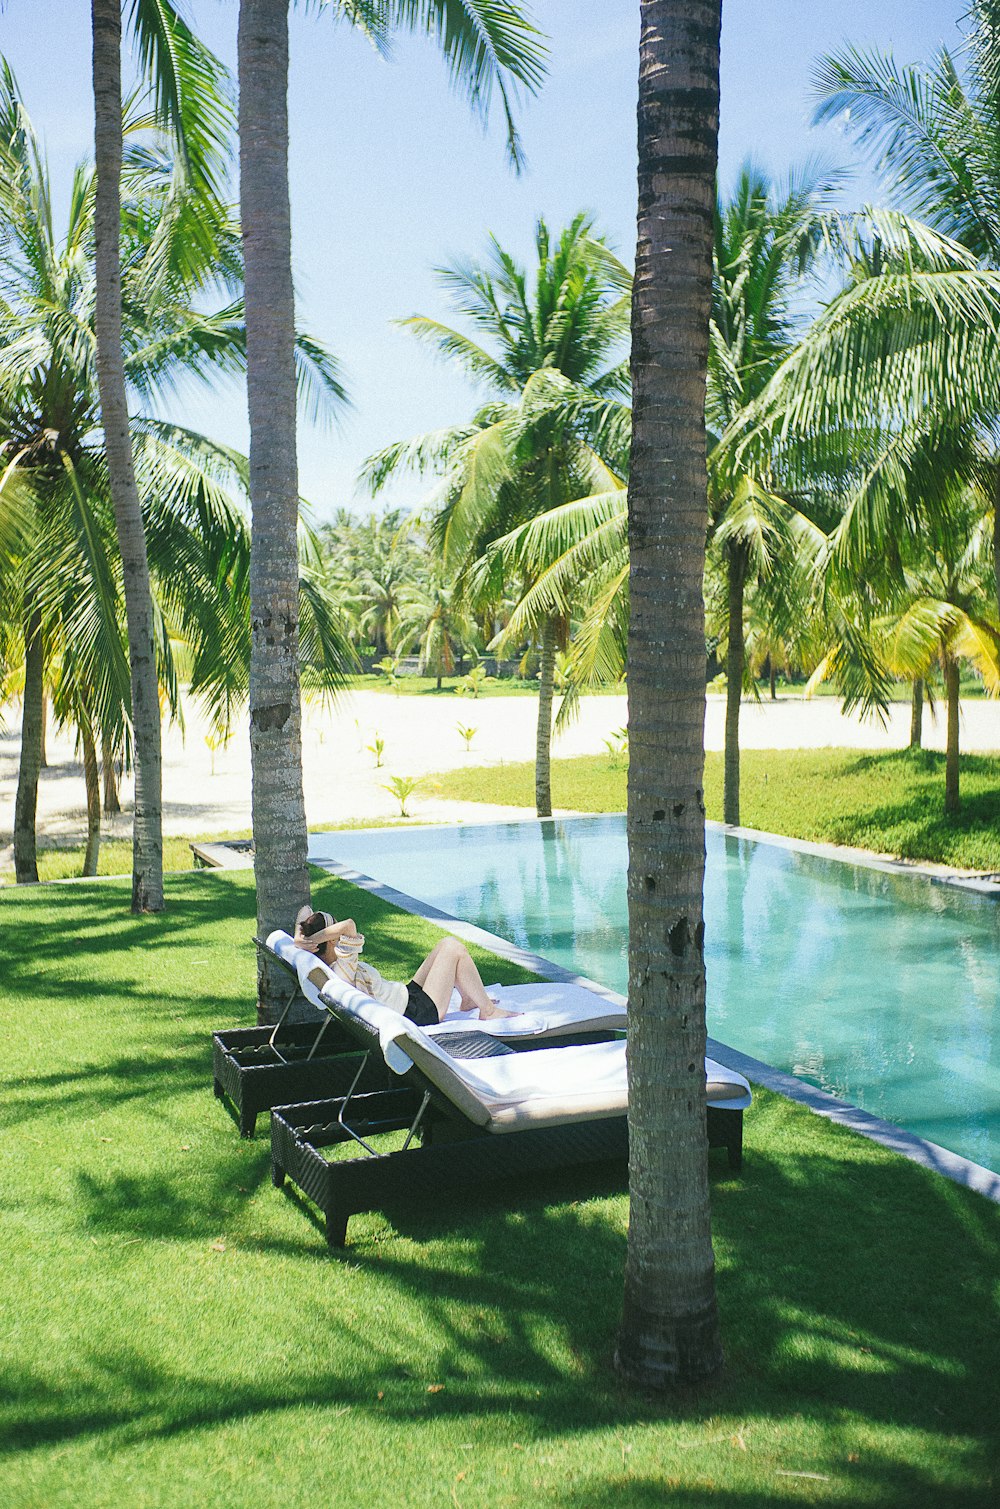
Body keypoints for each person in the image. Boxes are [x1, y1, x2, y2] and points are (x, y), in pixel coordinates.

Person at [292, 908, 515, 1026]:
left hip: (407, 996)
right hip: (416, 1013)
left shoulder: (330, 963)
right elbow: (349, 925)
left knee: (445, 944)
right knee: (454, 949)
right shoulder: (343, 966)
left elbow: (304, 912)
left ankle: (468, 1000)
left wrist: (299, 939)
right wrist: (315, 939)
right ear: (331, 940)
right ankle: (488, 1011)